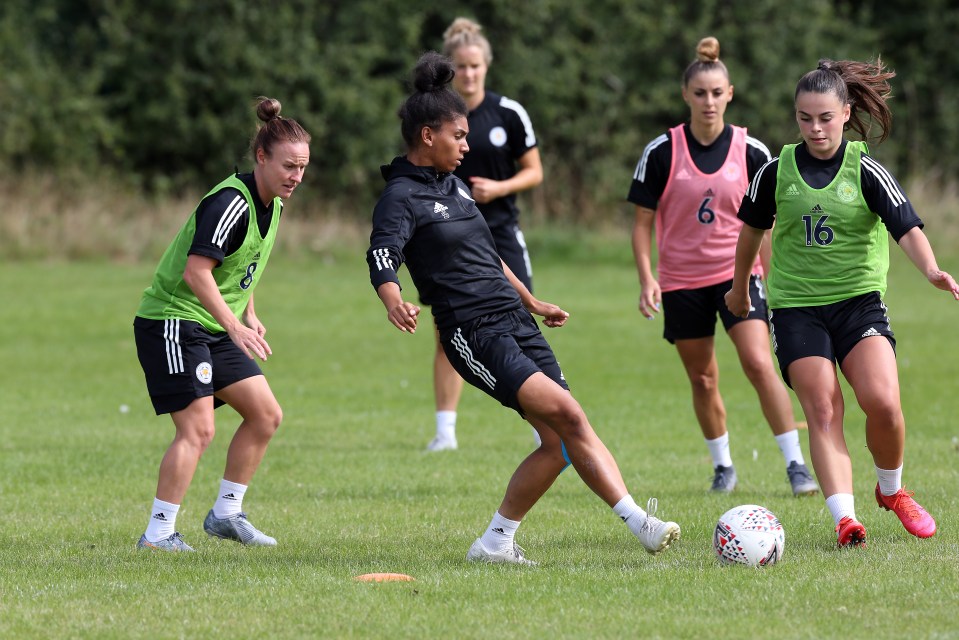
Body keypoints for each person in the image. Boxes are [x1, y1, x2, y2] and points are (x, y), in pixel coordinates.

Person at [367, 52, 680, 564]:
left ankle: (494, 543)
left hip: (514, 320)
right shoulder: (399, 197)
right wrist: (393, 297)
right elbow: (382, 254)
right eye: (458, 136)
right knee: (570, 415)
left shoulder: (456, 188)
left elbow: (489, 255)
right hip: (472, 333)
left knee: (558, 442)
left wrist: (531, 301)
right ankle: (639, 523)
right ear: (428, 136)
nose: (467, 146)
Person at [725, 58, 959, 546]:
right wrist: (739, 287)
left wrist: (933, 270)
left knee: (885, 405)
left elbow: (906, 227)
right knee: (824, 411)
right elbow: (750, 233)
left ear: (846, 112)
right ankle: (845, 518)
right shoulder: (775, 171)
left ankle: (892, 492)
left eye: (825, 117)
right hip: (796, 309)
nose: (815, 128)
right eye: (805, 118)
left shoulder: (864, 168)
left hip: (858, 305)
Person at [627, 37, 818, 497]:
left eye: (717, 93)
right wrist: (647, 278)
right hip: (681, 282)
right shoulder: (661, 151)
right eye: (699, 93)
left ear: (729, 93)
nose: (708, 101)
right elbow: (641, 223)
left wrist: (777, 281)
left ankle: (796, 465)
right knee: (704, 377)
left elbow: (769, 225)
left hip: (740, 277)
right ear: (686, 96)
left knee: (757, 362)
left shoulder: (752, 152)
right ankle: (723, 467)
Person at [133, 97, 311, 551]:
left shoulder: (275, 205)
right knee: (198, 430)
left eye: (303, 167)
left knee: (266, 415)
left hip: (214, 323)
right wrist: (234, 325)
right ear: (262, 157)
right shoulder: (231, 201)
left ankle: (227, 514)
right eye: (289, 165)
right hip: (173, 319)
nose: (296, 176)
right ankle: (158, 534)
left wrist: (248, 312)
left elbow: (241, 264)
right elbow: (197, 271)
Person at [423, 17, 544, 452]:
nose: (469, 74)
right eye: (461, 67)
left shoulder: (508, 113)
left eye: (476, 66)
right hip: (449, 239)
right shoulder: (435, 118)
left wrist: (499, 188)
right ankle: (445, 434)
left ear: (486, 66)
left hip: (501, 232)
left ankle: (540, 423)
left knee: (520, 322)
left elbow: (534, 171)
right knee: (447, 330)